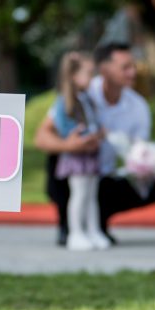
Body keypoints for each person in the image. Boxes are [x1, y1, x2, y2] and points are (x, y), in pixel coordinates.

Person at [35, 42, 155, 245]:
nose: (133, 72)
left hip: (103, 172)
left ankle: (96, 226)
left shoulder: (138, 107)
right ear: (104, 69)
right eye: (125, 67)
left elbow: (139, 149)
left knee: (150, 185)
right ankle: (71, 228)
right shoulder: (79, 96)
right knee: (71, 181)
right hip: (78, 163)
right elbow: (41, 137)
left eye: (133, 66)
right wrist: (71, 145)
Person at [51, 52, 110, 251]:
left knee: (92, 195)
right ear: (74, 75)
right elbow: (65, 129)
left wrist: (98, 134)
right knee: (79, 194)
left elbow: (95, 122)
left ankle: (93, 230)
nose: (92, 78)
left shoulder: (87, 100)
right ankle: (76, 232)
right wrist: (82, 136)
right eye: (88, 73)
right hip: (77, 157)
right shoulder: (64, 102)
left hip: (91, 154)